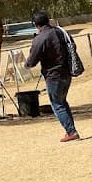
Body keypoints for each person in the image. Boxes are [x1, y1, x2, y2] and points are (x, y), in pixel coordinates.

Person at [24, 10, 80, 142]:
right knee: (62, 102)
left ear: (36, 25)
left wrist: (26, 64)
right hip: (67, 72)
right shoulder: (61, 31)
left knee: (57, 104)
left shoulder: (41, 38)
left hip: (54, 76)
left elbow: (32, 60)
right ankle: (71, 130)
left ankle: (71, 131)